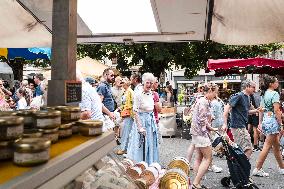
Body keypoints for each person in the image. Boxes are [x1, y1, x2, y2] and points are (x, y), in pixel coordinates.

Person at [252, 76, 284, 177]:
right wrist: (281, 123)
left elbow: (261, 109)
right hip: (272, 120)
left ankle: (282, 167)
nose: (278, 83)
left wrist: (260, 122)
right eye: (276, 81)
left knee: (276, 146)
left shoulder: (264, 93)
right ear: (271, 84)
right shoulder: (274, 94)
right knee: (267, 146)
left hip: (266, 119)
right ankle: (257, 168)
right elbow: (277, 111)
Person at [190, 83, 219, 189]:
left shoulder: (202, 100)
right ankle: (196, 183)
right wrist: (206, 130)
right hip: (200, 133)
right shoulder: (204, 102)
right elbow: (202, 119)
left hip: (196, 133)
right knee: (208, 158)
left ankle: (196, 182)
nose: (216, 95)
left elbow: (202, 118)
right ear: (210, 91)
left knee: (199, 157)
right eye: (215, 92)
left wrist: (210, 128)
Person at [126, 73, 159, 165]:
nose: (149, 85)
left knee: (150, 144)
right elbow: (135, 111)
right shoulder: (138, 94)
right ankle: (139, 166)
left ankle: (149, 164)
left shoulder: (151, 94)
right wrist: (140, 127)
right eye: (147, 82)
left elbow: (152, 109)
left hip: (150, 121)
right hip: (141, 121)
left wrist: (154, 123)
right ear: (143, 82)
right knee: (140, 145)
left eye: (151, 83)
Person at [222, 80, 258, 159]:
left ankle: (239, 167)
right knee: (247, 149)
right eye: (253, 87)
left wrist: (257, 110)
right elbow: (227, 107)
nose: (255, 89)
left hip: (241, 126)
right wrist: (224, 123)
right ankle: (240, 167)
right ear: (247, 87)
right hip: (237, 126)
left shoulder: (247, 97)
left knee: (242, 149)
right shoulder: (239, 95)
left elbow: (247, 112)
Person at [116, 77, 134, 155]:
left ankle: (124, 149)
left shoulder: (130, 92)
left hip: (128, 114)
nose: (122, 84)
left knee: (126, 132)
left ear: (127, 83)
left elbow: (132, 103)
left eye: (123, 82)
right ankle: (125, 148)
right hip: (126, 114)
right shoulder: (126, 91)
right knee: (126, 131)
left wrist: (128, 110)